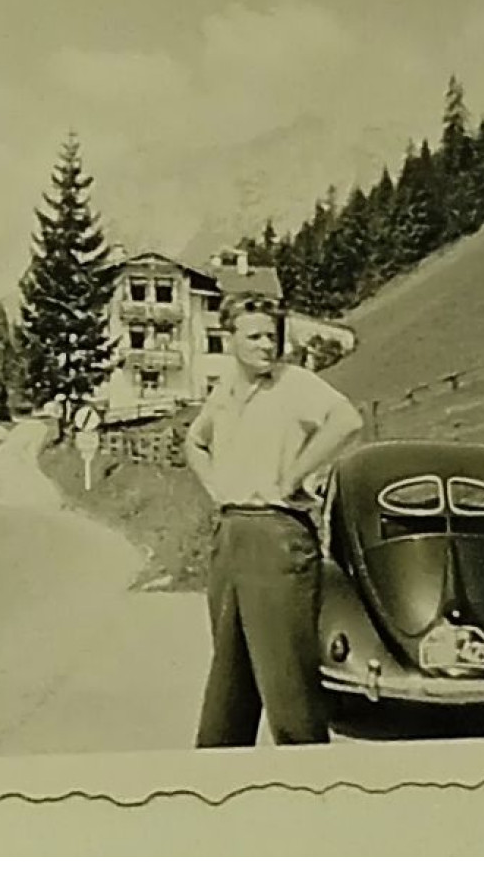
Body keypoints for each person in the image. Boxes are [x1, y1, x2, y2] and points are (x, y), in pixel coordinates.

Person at [185, 294, 364, 748]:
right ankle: (217, 790)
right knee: (228, 688)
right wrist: (217, 491)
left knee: (287, 690)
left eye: (272, 335)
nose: (268, 345)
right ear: (230, 340)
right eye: (255, 336)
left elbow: (347, 421)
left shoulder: (294, 382)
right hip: (230, 535)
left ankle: (309, 792)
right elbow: (194, 441)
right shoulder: (224, 389)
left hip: (277, 536)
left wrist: (293, 476)